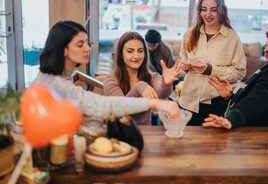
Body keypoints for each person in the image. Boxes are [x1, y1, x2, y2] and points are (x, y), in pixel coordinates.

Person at [32, 20, 180, 120]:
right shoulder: (58, 83)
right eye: (80, 44)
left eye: (87, 43)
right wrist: (153, 103)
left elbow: (161, 92)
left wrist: (166, 85)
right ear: (63, 49)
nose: (88, 48)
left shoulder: (55, 74)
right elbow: (102, 105)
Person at [203, 27, 268, 129]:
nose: (266, 49)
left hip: (259, 135)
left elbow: (260, 97)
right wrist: (229, 97)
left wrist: (232, 119)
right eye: (266, 46)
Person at [179, 0, 247, 125]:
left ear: (221, 10)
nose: (207, 14)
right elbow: (182, 65)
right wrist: (184, 66)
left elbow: (239, 72)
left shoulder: (232, 38)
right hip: (187, 102)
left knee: (212, 146)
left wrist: (210, 70)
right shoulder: (189, 34)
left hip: (214, 105)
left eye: (213, 10)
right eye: (203, 9)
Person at [103, 32, 181, 125]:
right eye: (130, 51)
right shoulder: (110, 81)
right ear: (121, 54)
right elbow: (122, 109)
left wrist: (167, 84)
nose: (136, 56)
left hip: (146, 132)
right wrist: (139, 87)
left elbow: (162, 94)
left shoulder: (152, 77)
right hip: (120, 133)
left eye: (140, 51)